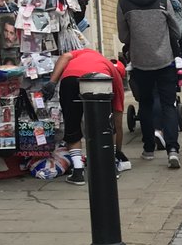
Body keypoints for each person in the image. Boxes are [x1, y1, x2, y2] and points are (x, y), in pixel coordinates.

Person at [117, 0, 182, 168]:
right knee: (168, 105)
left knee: (145, 104)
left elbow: (123, 35)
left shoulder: (124, 2)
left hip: (140, 62)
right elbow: (176, 30)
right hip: (164, 60)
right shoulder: (162, 0)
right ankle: (172, 149)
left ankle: (148, 149)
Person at [48, 48, 127, 184]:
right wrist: (117, 152)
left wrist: (52, 82)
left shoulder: (86, 52)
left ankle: (78, 171)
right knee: (106, 125)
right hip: (100, 83)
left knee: (72, 124)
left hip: (70, 79)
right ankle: (110, 167)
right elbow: (117, 122)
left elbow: (65, 56)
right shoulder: (114, 76)